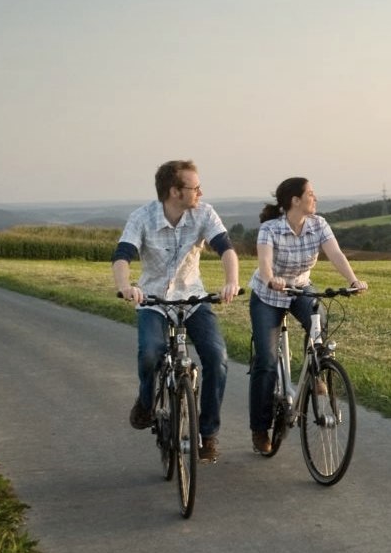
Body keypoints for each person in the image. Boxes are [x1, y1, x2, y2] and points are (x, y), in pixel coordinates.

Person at [112, 160, 242, 462]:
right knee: (149, 353)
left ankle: (207, 433)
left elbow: (226, 248)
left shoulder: (204, 213)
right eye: (194, 187)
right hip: (153, 300)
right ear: (174, 192)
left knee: (216, 357)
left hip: (192, 298)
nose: (200, 192)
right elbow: (123, 255)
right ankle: (146, 402)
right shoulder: (142, 218)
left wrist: (231, 282)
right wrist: (125, 285)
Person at [247, 176, 367, 455]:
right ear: (295, 201)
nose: (316, 198)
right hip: (269, 295)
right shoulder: (270, 229)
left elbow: (335, 253)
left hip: (300, 288)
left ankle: (315, 372)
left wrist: (352, 280)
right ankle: (259, 429)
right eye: (311, 194)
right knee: (265, 360)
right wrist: (271, 279)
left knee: (319, 321)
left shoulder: (318, 224)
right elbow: (264, 264)